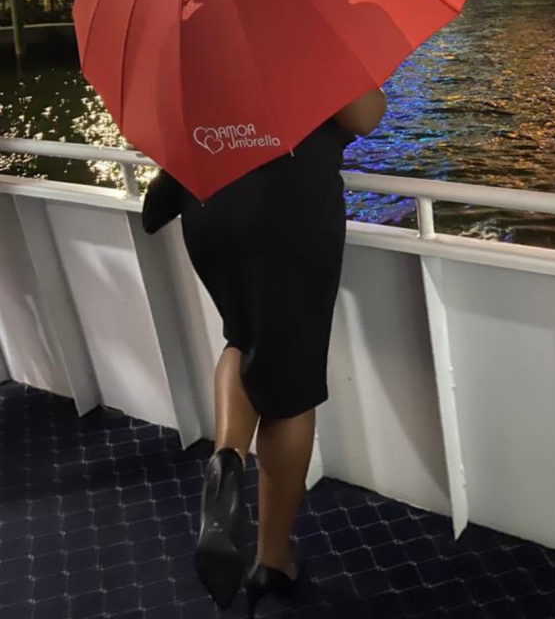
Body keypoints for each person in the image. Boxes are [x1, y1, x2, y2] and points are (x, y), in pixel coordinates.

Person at [143, 87, 386, 615]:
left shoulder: (194, 36)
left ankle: (227, 459)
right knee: (292, 390)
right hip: (289, 214)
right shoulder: (306, 27)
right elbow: (366, 114)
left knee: (244, 335)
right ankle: (271, 560)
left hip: (210, 210)